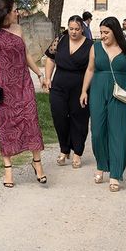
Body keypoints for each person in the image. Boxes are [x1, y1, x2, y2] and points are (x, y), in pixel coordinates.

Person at [79, 16, 126, 192]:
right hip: (98, 91)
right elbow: (90, 69)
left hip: (121, 92)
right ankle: (101, 165)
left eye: (106, 32)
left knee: (118, 132)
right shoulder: (95, 48)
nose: (102, 35)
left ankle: (116, 174)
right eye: (101, 32)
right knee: (97, 131)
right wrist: (83, 91)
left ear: (115, 31)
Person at [0, 0, 46, 188]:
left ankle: (37, 163)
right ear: (6, 12)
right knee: (7, 126)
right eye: (15, 10)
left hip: (23, 83)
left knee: (31, 120)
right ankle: (8, 169)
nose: (18, 13)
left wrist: (39, 73)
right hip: (4, 88)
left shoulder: (18, 29)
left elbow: (25, 54)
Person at [43, 15, 93, 169]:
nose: (73, 32)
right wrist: (47, 78)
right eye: (71, 29)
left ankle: (77, 152)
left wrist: (85, 90)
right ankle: (64, 149)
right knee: (59, 117)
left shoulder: (90, 45)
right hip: (59, 85)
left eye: (77, 29)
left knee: (79, 119)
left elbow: (91, 69)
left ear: (82, 29)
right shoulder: (60, 40)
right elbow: (50, 59)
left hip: (80, 86)